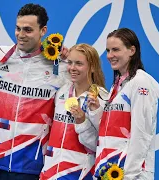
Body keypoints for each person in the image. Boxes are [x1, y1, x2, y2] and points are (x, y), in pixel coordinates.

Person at [0, 3, 69, 180]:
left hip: (30, 167)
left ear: (43, 31)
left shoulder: (59, 67)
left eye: (28, 30)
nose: (21, 35)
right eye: (18, 29)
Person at [94, 28, 159, 180]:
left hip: (130, 174)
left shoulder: (140, 82)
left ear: (132, 50)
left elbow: (142, 133)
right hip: (108, 169)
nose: (110, 55)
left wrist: (129, 176)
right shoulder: (117, 85)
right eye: (108, 50)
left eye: (115, 50)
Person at [40, 44, 108, 180]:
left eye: (79, 64)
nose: (72, 68)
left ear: (92, 67)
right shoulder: (62, 92)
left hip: (78, 174)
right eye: (70, 63)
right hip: (50, 173)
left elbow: (101, 146)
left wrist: (82, 122)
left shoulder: (101, 98)